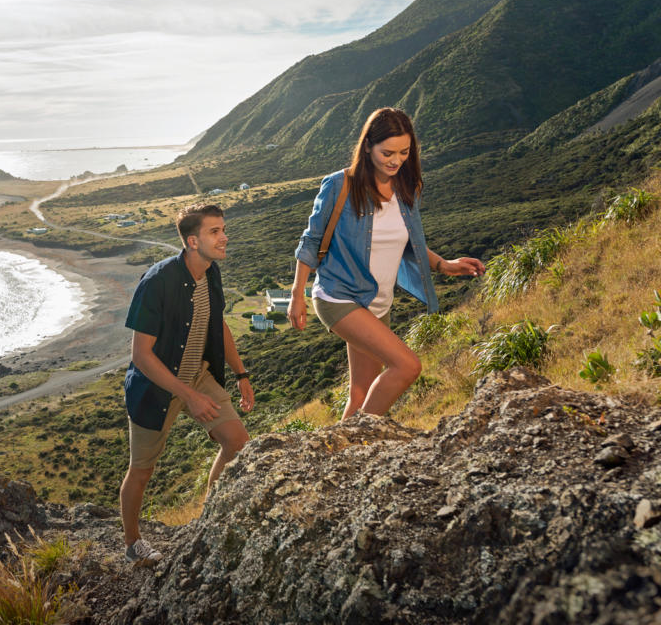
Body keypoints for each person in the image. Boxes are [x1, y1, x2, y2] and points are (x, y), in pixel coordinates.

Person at [287, 107, 486, 419]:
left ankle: (340, 458)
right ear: (368, 147)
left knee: (360, 394)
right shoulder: (339, 186)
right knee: (407, 366)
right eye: (387, 152)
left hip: (379, 302)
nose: (395, 161)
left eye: (404, 152)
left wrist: (444, 264)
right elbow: (310, 241)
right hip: (339, 296)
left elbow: (409, 243)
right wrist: (297, 294)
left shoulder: (408, 189)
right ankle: (361, 441)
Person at [119, 203, 255, 563]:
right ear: (193, 241)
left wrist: (240, 373)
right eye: (215, 232)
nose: (224, 237)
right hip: (155, 386)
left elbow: (219, 324)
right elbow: (142, 356)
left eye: (223, 229)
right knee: (142, 469)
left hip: (198, 372)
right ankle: (133, 545)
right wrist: (189, 397)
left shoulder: (211, 273)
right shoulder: (157, 282)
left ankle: (209, 519)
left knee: (238, 443)